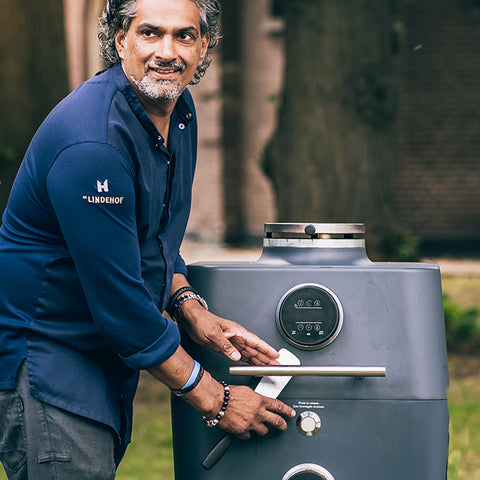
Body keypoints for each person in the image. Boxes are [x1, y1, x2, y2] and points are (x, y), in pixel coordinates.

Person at [0, 0, 295, 478]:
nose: (167, 51)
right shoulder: (92, 145)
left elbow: (153, 239)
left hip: (103, 357)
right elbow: (120, 306)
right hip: (47, 360)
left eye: (184, 36)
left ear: (204, 47)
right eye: (150, 33)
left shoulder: (178, 113)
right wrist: (216, 401)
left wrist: (189, 307)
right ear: (120, 41)